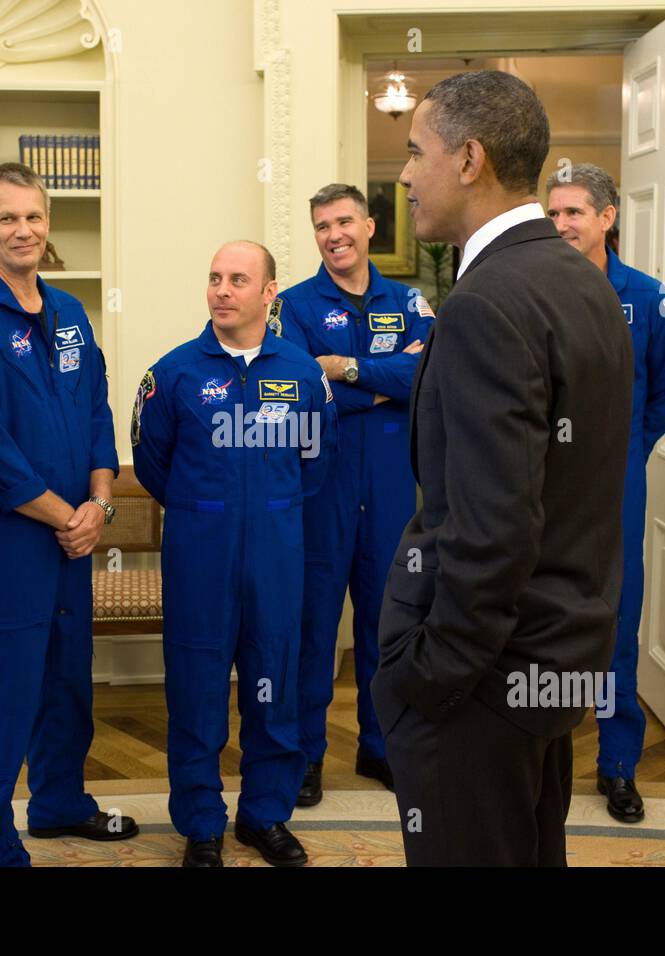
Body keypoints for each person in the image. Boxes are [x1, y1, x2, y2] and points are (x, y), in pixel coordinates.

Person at [371, 71, 633, 866]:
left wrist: (432, 674)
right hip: (556, 656)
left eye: (417, 152)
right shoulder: (583, 284)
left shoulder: (489, 301)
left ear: (470, 158)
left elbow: (493, 526)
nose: (406, 176)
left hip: (487, 678)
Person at [131, 241, 336, 867]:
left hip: (276, 555)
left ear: (270, 292)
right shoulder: (172, 374)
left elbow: (314, 468)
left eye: (238, 279)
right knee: (196, 690)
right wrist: (209, 511)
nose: (222, 290)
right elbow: (152, 465)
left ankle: (264, 816)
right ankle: (200, 824)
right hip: (200, 555)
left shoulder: (303, 374)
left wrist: (265, 512)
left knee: (274, 685)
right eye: (215, 278)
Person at [0, 162, 134, 866]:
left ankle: (61, 802)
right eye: (6, 218)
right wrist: (68, 516)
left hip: (75, 536)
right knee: (5, 688)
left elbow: (97, 408)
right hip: (12, 539)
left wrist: (99, 501)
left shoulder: (68, 313)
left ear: (47, 220)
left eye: (32, 216)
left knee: (68, 675)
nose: (22, 230)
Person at [546, 164, 665, 823]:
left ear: (607, 217)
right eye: (553, 214)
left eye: (574, 212)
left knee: (615, 624)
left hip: (616, 487)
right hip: (546, 484)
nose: (562, 225)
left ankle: (617, 766)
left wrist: (631, 442)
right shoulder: (536, 290)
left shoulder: (648, 296)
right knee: (543, 625)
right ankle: (541, 760)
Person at [275, 183, 432, 804]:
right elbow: (292, 389)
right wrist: (384, 384)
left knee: (387, 624)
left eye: (343, 221)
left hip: (393, 486)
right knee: (313, 627)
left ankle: (381, 747)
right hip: (322, 487)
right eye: (321, 226)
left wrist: (344, 368)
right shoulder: (290, 306)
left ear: (369, 226)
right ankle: (306, 754)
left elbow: (429, 373)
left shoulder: (409, 299)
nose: (333, 234)